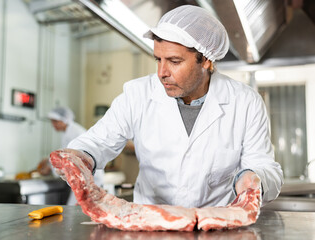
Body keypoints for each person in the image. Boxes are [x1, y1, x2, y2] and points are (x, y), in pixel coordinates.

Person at [53, 5, 283, 208]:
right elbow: (97, 142)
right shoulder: (138, 94)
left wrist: (253, 179)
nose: (162, 72)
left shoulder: (245, 102)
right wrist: (80, 157)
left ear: (206, 60)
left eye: (174, 61)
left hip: (216, 226)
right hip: (151, 226)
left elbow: (265, 166)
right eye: (158, 60)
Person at [45, 107, 104, 205]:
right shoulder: (67, 132)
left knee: (77, 209)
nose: (53, 125)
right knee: (77, 209)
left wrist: (51, 167)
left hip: (90, 177)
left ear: (64, 120)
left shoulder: (75, 132)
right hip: (82, 178)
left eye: (55, 121)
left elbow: (73, 156)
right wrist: (48, 161)